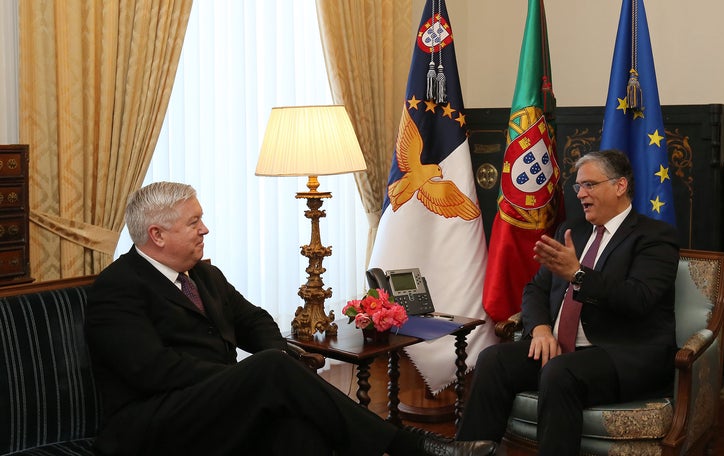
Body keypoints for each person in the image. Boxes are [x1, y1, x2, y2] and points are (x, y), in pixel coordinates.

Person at [85, 181, 497, 456]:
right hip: (152, 424)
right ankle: (410, 446)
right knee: (270, 372)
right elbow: (154, 371)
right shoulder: (117, 289)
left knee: (302, 433)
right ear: (157, 235)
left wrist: (274, 359)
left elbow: (256, 320)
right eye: (194, 222)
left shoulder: (204, 274)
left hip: (217, 407)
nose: (205, 229)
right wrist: (246, 379)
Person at [456, 149, 680, 454]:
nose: (580, 194)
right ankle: (469, 451)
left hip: (621, 353)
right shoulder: (572, 231)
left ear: (620, 186)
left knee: (561, 372)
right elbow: (535, 289)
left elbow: (638, 298)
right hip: (560, 348)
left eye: (589, 185)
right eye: (578, 187)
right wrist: (541, 329)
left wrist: (578, 274)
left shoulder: (654, 236)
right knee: (493, 359)